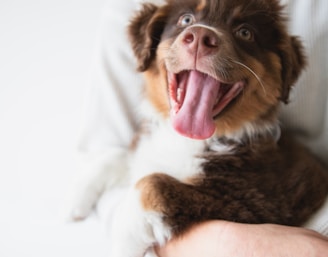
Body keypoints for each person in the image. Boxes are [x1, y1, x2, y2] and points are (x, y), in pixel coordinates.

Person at [77, 0, 328, 255]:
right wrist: (232, 243)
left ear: (283, 71)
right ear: (148, 43)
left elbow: (240, 205)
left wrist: (151, 202)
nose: (200, 34)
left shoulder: (260, 162)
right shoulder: (147, 139)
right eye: (186, 21)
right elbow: (105, 148)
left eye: (244, 33)